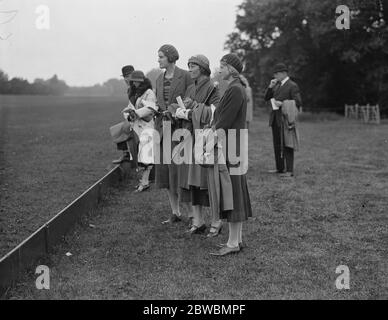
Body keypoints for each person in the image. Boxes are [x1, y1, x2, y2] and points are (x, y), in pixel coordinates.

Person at [209, 53, 253, 257]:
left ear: (231, 69)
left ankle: (233, 242)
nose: (219, 70)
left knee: (233, 191)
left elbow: (224, 121)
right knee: (235, 190)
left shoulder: (235, 89)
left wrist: (212, 143)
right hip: (233, 143)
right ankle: (237, 239)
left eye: (222, 66)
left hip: (230, 145)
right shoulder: (234, 88)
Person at [172, 54, 220, 235]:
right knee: (193, 182)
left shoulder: (213, 88)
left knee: (209, 182)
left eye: (193, 66)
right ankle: (198, 221)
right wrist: (182, 111)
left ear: (202, 68)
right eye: (189, 66)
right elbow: (190, 110)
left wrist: (194, 108)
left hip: (206, 139)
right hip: (190, 137)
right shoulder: (191, 88)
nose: (190, 69)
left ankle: (216, 221)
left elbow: (215, 113)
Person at [153, 44, 194, 224]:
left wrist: (172, 108)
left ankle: (193, 214)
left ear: (170, 57)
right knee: (166, 171)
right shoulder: (158, 79)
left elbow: (190, 98)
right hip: (163, 128)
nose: (158, 59)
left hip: (181, 128)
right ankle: (175, 212)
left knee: (181, 171)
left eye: (161, 56)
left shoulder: (185, 75)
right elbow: (157, 102)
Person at [264, 63, 302, 178]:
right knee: (277, 144)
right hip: (275, 118)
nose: (274, 76)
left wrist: (283, 103)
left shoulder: (292, 85)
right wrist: (270, 87)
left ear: (284, 73)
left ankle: (289, 170)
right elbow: (266, 98)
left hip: (286, 119)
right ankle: (280, 168)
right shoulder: (276, 85)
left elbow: (298, 102)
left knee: (287, 144)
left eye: (276, 74)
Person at [123, 70, 158, 192]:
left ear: (142, 81)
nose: (135, 83)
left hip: (147, 126)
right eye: (134, 81)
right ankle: (144, 181)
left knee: (146, 155)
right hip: (137, 126)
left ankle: (145, 182)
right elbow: (130, 107)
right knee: (140, 155)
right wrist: (129, 115)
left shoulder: (149, 93)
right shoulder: (135, 93)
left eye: (137, 81)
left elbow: (150, 109)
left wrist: (136, 113)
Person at [112, 65, 136, 164]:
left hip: (143, 117)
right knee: (116, 130)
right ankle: (126, 154)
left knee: (122, 128)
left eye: (128, 76)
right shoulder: (129, 89)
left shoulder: (139, 87)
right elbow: (131, 104)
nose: (126, 79)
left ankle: (130, 155)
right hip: (134, 116)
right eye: (125, 77)